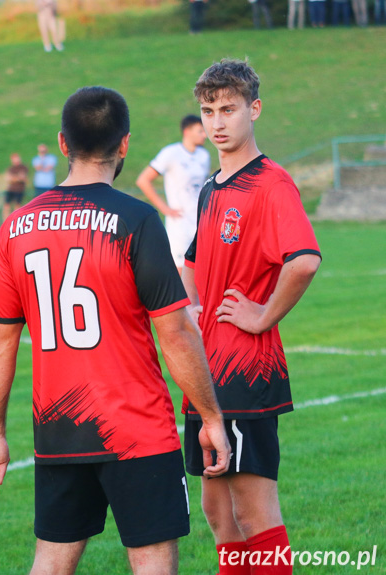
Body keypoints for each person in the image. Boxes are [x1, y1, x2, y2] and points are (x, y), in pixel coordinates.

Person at [0, 86, 231, 575]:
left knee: (49, 563)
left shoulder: (17, 226)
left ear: (63, 144)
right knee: (153, 562)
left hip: (58, 430)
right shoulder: (135, 220)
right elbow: (175, 332)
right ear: (125, 145)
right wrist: (211, 416)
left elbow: (1, 339)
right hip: (136, 428)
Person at [183, 59, 321, 575]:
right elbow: (192, 260)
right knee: (218, 514)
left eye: (229, 109)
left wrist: (262, 315)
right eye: (208, 111)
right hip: (205, 368)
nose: (217, 122)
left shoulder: (271, 183)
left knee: (252, 510)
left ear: (254, 109)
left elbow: (304, 259)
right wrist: (191, 306)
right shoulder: (211, 186)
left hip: (246, 370)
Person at [135, 115, 211, 272]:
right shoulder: (171, 153)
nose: (205, 134)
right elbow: (143, 180)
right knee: (181, 273)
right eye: (200, 131)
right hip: (179, 225)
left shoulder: (204, 156)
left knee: (202, 272)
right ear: (187, 131)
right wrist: (165, 209)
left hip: (200, 222)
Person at [2, 152, 29, 221]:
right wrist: (17, 178)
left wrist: (13, 178)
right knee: (6, 206)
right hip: (10, 189)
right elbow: (8, 178)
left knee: (17, 207)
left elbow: (23, 178)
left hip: (19, 190)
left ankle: (15, 221)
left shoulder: (23, 167)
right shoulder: (11, 168)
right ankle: (6, 221)